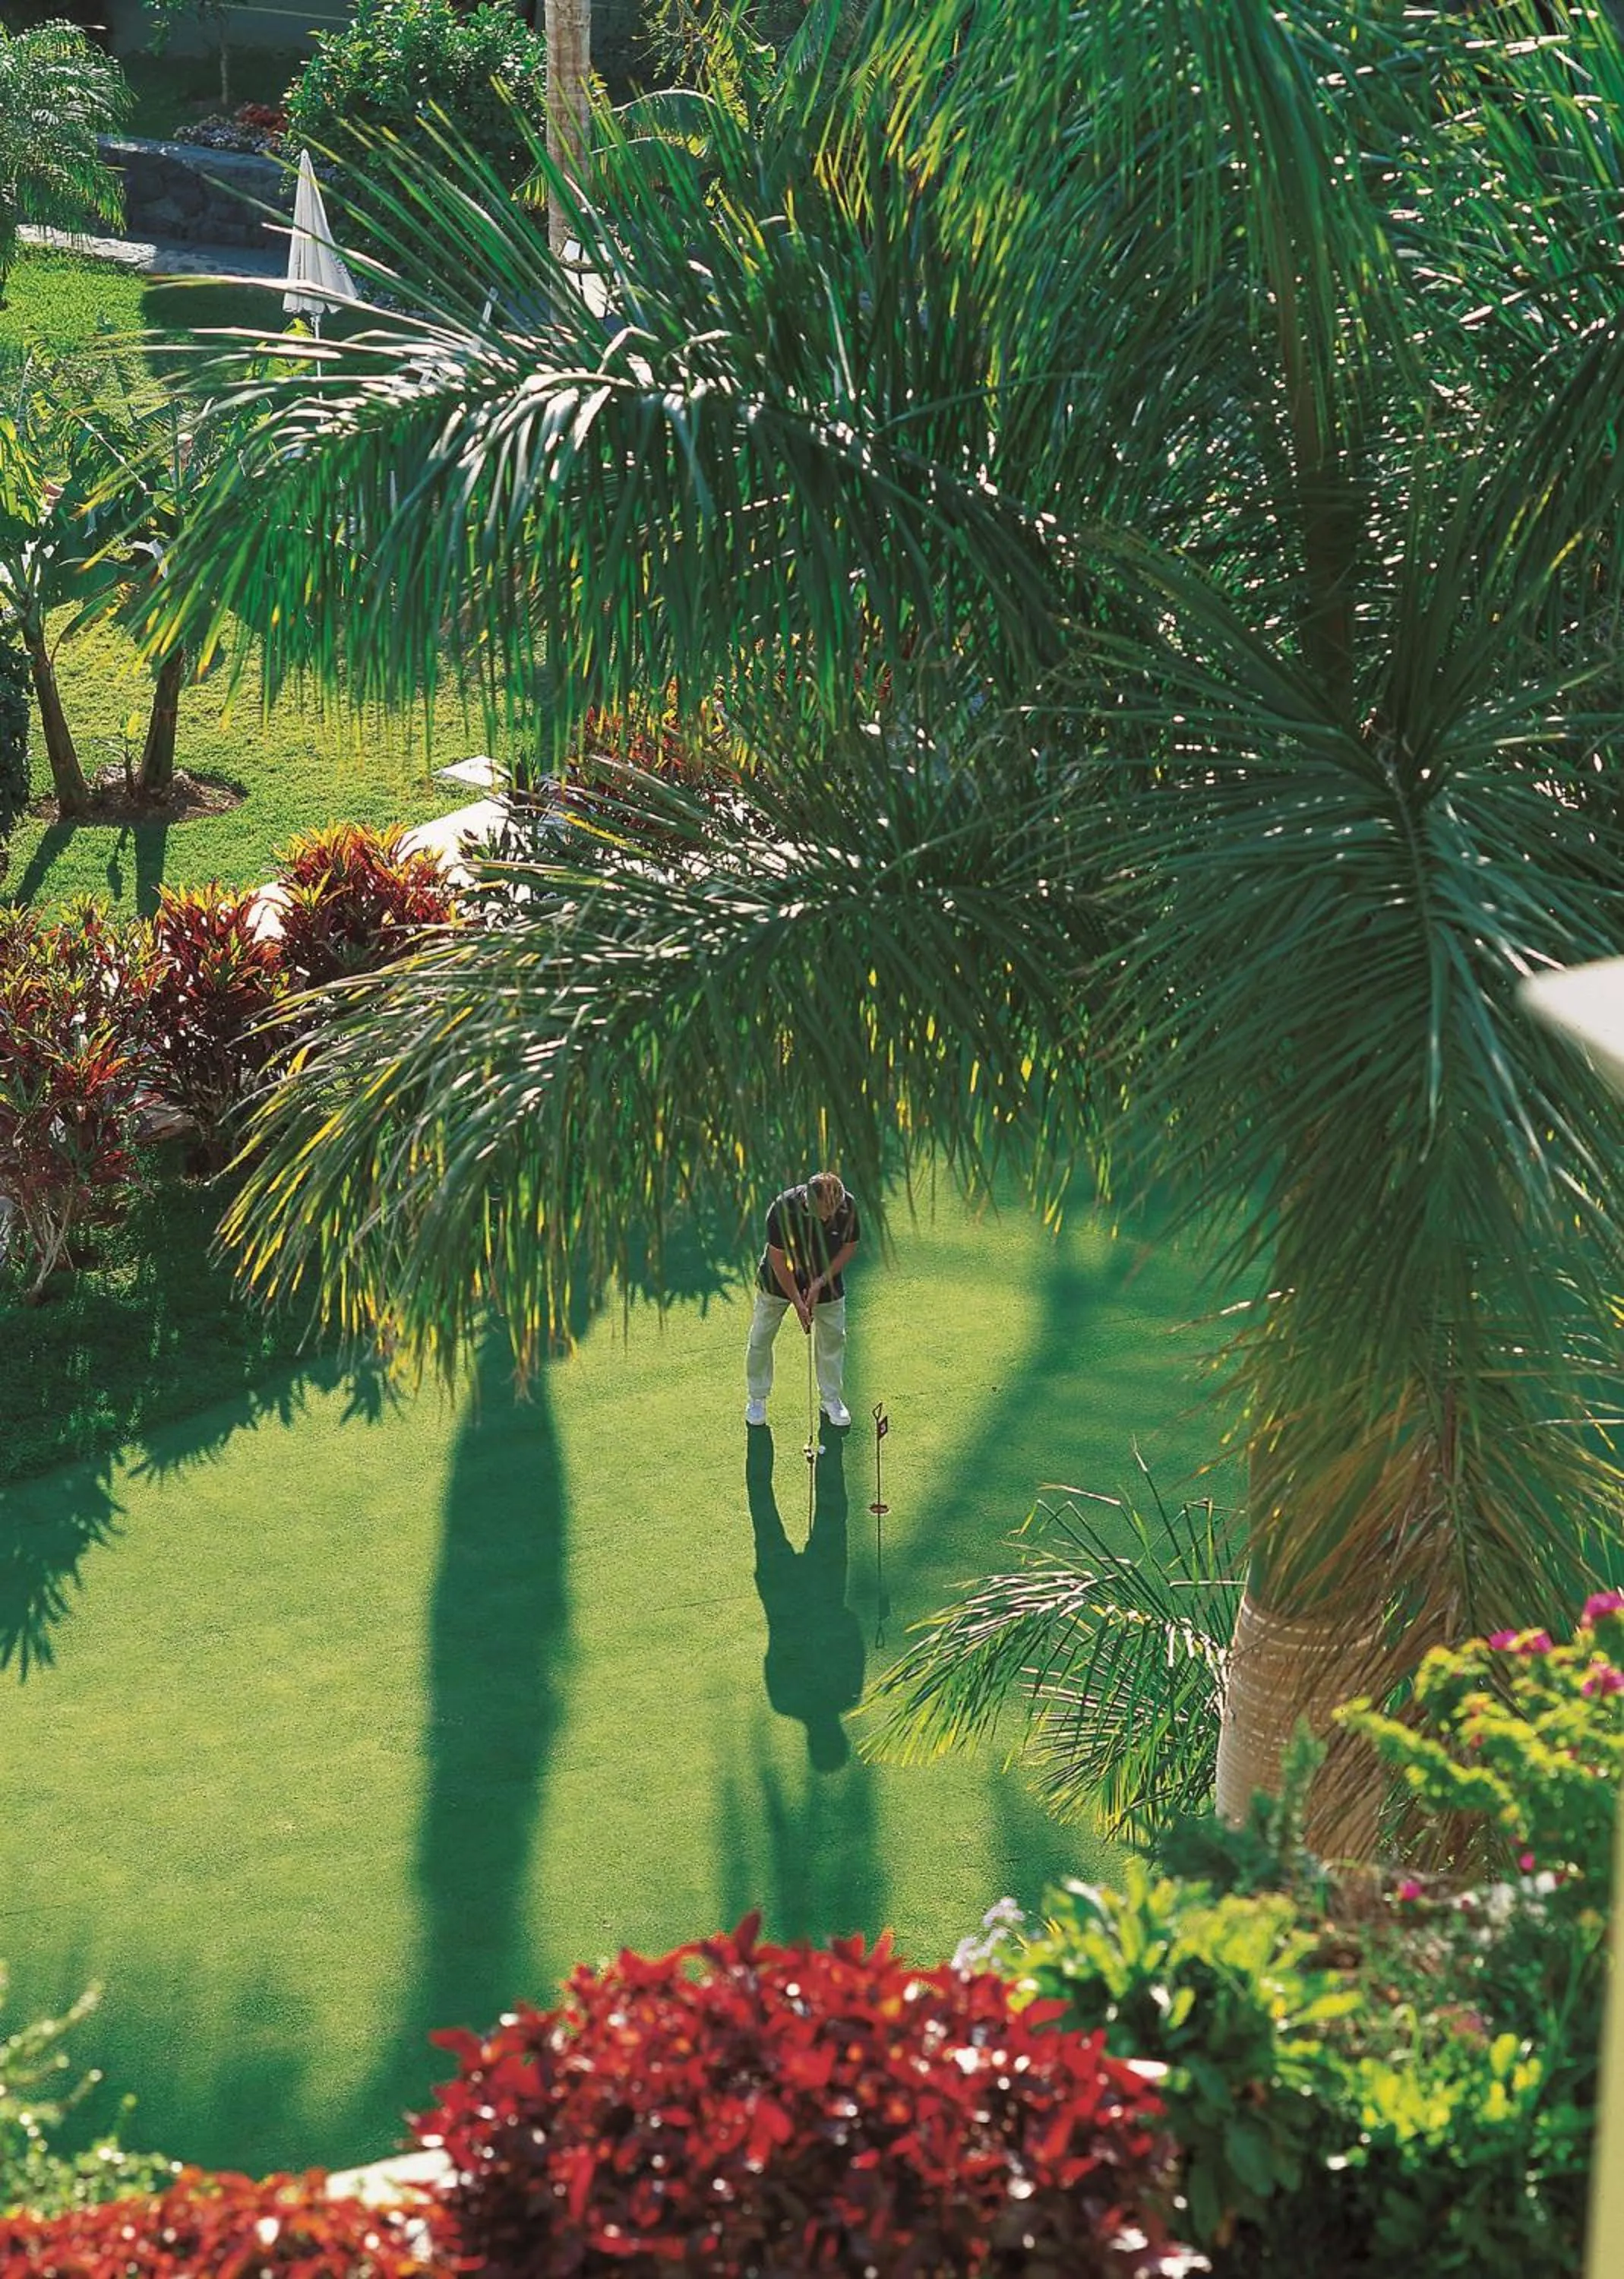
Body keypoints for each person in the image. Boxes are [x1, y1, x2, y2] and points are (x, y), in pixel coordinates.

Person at [744, 1171, 859, 1428]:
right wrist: (798, 1301)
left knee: (833, 1338)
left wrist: (820, 1282)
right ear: (808, 1199)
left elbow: (850, 1246)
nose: (829, 1217)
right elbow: (777, 1258)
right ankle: (757, 1398)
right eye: (824, 1211)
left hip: (826, 1280)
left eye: (834, 1210)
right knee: (761, 1337)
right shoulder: (782, 1209)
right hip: (777, 1282)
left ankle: (830, 1399)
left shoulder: (847, 1206)